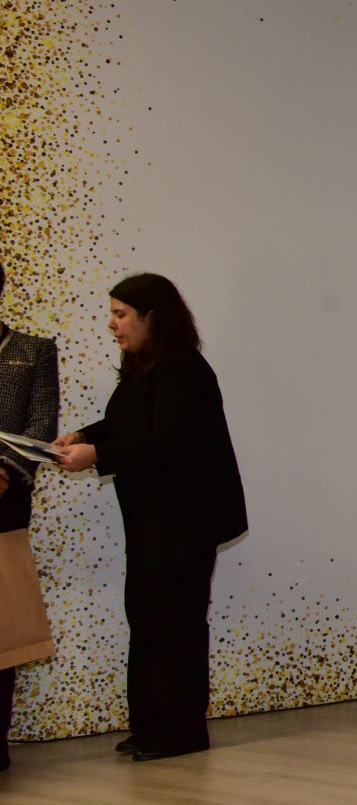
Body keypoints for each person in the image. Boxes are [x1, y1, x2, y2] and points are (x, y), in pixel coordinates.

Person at [48, 274, 248, 762]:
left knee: (174, 622)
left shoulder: (185, 371)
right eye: (112, 314)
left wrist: (97, 454)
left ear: (152, 317)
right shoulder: (142, 367)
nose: (112, 324)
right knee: (147, 617)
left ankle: (180, 733)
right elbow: (125, 424)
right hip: (151, 520)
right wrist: (83, 436)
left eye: (121, 314)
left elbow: (166, 440)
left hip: (186, 522)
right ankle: (150, 727)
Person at [0, 262, 60, 772]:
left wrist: (3, 469)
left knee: (4, 621)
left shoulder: (33, 350)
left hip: (4, 500)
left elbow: (41, 423)